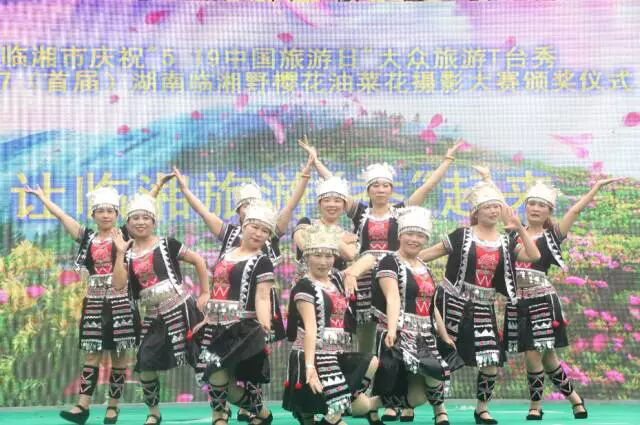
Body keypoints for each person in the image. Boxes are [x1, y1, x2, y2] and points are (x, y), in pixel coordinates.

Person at [419, 172, 541, 425]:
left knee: (490, 358)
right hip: (452, 302)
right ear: (476, 211)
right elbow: (427, 254)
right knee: (441, 354)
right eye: (488, 207)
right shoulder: (461, 235)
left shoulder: (506, 241)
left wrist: (519, 227)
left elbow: (534, 256)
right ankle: (440, 410)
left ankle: (482, 409)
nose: (493, 211)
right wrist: (400, 261)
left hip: (484, 305)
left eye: (496, 206)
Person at [505, 178, 620, 421]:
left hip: (542, 301)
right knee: (549, 358)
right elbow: (501, 208)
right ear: (525, 206)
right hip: (518, 303)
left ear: (549, 211)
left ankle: (535, 405)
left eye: (542, 205)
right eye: (532, 203)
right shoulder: (513, 233)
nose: (535, 208)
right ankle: (576, 399)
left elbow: (574, 211)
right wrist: (486, 179)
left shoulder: (553, 235)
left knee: (532, 353)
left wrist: (596, 187)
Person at [25, 186, 139, 425]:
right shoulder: (88, 237)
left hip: (120, 302)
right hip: (94, 301)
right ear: (93, 214)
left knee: (119, 357)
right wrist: (43, 198)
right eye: (101, 211)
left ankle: (113, 407)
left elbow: (141, 213)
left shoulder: (124, 234)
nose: (105, 215)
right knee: (91, 355)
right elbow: (62, 216)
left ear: (117, 214)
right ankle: (82, 406)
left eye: (110, 211)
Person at [112, 194, 210, 425]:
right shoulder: (126, 254)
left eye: (145, 218)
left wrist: (205, 292)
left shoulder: (167, 244)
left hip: (182, 309)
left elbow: (199, 260)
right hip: (154, 316)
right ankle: (154, 413)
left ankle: (221, 409)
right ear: (128, 224)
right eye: (135, 218)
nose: (140, 222)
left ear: (154, 222)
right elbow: (118, 285)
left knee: (204, 362)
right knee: (145, 363)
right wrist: (119, 252)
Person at [368, 207, 462, 425]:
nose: (414, 239)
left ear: (426, 239)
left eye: (420, 235)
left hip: (425, 335)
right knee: (400, 381)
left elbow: (432, 306)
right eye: (410, 234)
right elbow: (393, 298)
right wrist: (392, 330)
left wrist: (444, 334)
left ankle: (370, 405)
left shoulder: (424, 266)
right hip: (400, 332)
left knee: (420, 393)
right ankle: (367, 406)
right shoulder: (389, 262)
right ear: (400, 235)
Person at [284, 224, 383, 425]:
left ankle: (343, 404)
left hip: (337, 354)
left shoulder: (337, 279)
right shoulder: (304, 286)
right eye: (317, 255)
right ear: (307, 257)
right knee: (332, 414)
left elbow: (370, 258)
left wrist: (352, 274)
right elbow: (310, 329)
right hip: (315, 355)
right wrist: (309, 367)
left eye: (328, 255)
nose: (323, 261)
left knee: (372, 362)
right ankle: (329, 409)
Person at [193, 200, 279, 425]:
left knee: (232, 378)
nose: (258, 233)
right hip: (216, 325)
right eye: (255, 227)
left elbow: (262, 296)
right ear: (244, 226)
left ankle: (252, 414)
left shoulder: (262, 261)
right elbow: (217, 289)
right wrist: (207, 318)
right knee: (216, 376)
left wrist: (265, 324)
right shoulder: (228, 253)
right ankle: (249, 414)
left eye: (265, 230)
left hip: (241, 328)